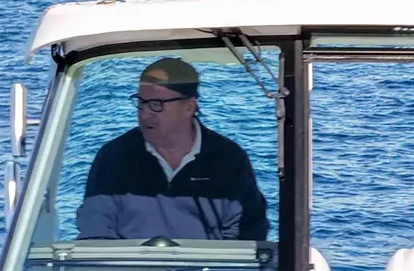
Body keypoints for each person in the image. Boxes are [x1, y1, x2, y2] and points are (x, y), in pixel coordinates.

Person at [75, 56, 269, 247]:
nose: (145, 113)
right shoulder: (113, 156)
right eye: (141, 102)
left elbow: (247, 232)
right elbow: (96, 230)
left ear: (189, 107)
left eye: (156, 104)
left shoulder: (228, 158)